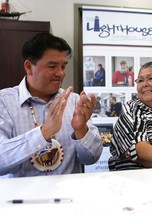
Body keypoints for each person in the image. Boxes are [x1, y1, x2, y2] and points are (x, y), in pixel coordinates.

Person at [0, 32, 103, 178]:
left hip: (69, 197)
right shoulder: (4, 102)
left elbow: (92, 158)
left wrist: (81, 130)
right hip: (20, 199)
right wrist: (43, 133)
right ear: (29, 67)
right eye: (52, 66)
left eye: (63, 66)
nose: (60, 73)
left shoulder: (74, 102)